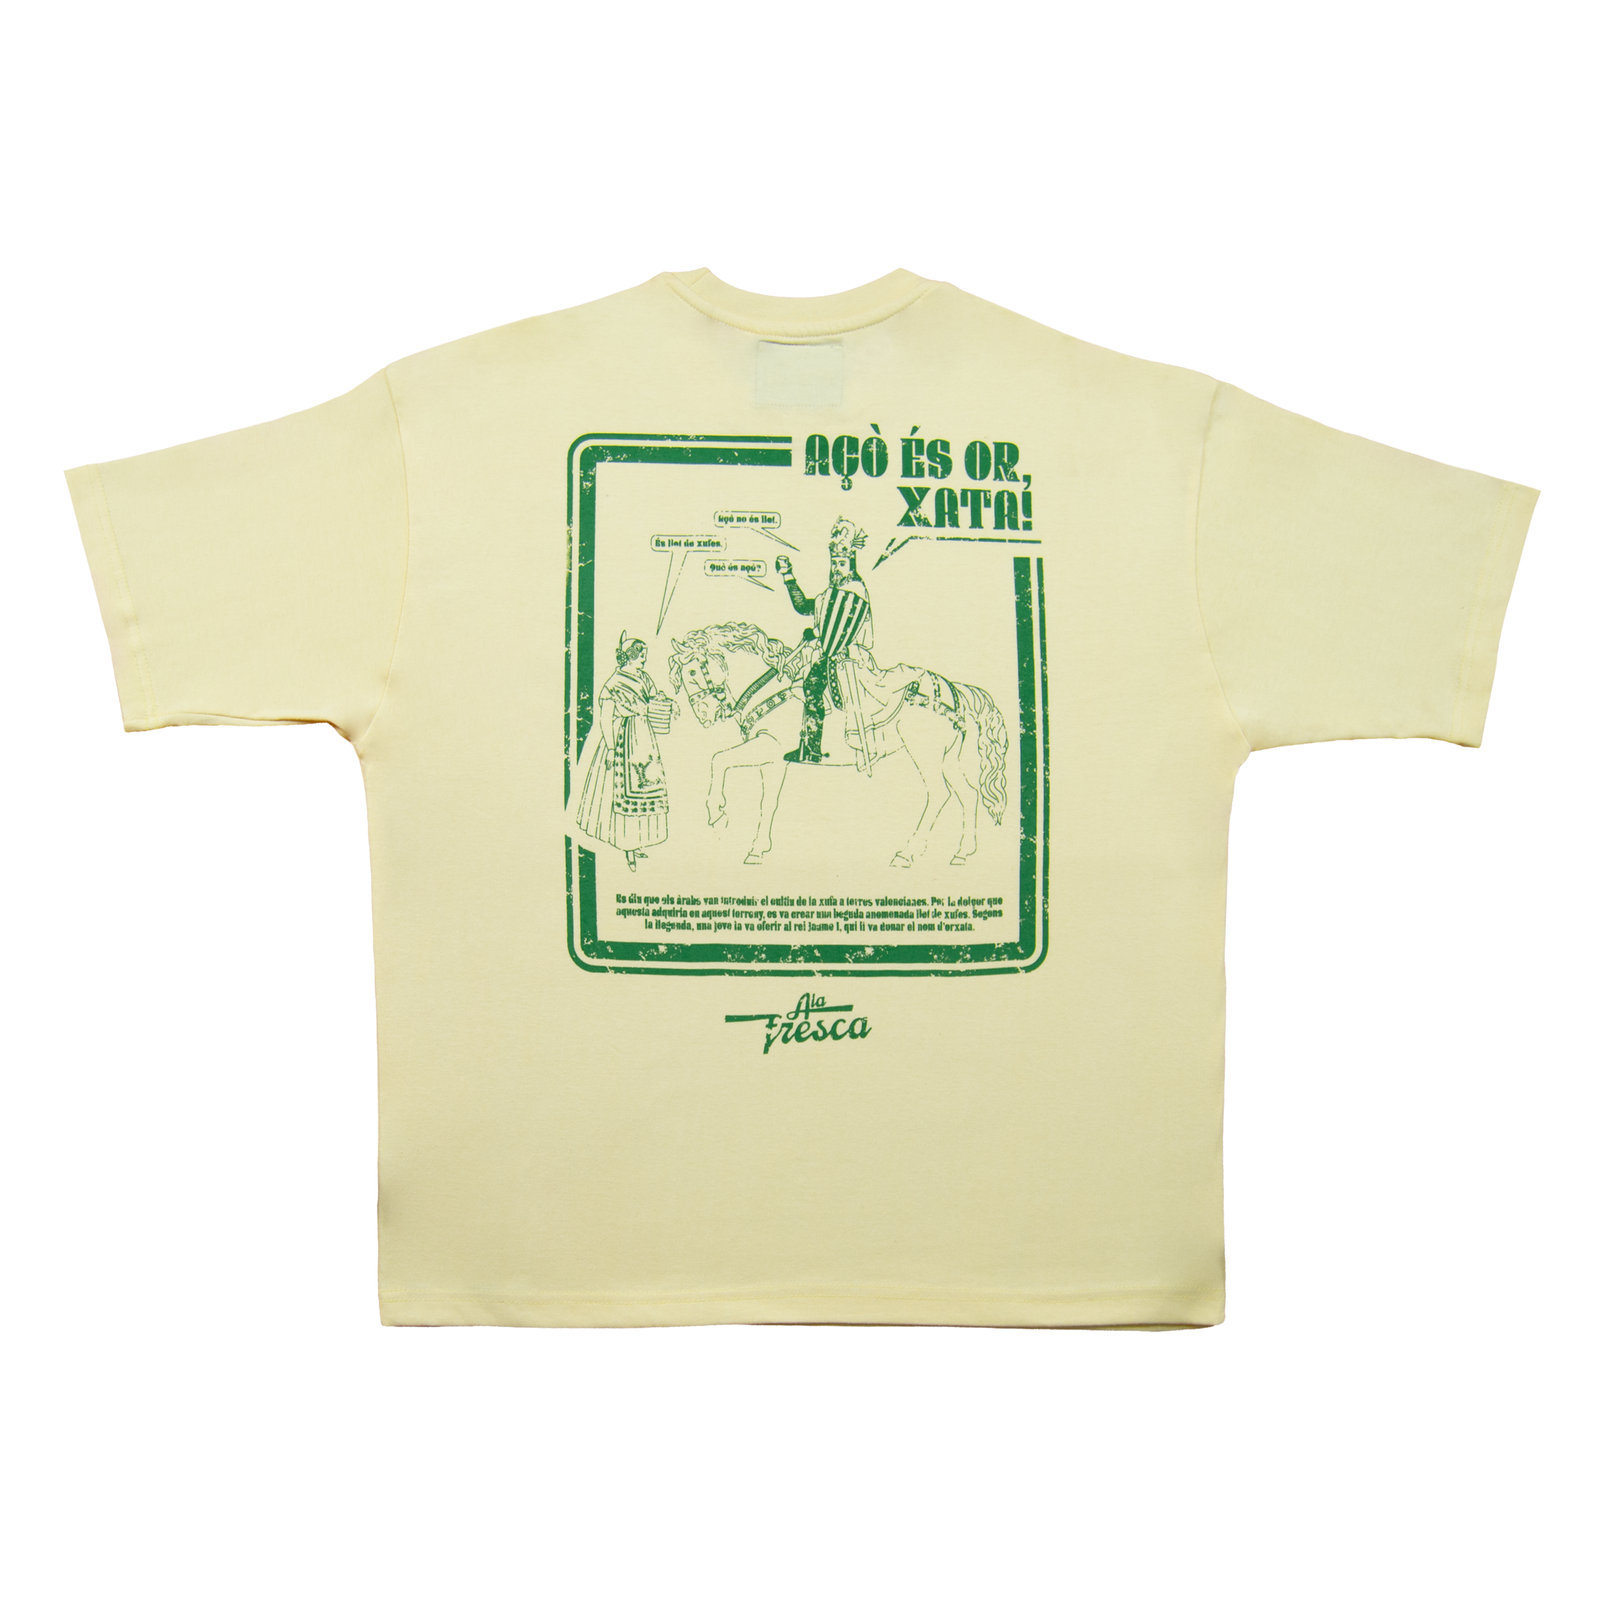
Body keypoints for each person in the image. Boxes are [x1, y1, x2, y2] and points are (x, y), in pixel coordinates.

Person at [776, 519, 874, 764]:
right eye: (834, 563)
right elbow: (804, 607)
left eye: (842, 564)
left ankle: (860, 745)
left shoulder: (856, 590)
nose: (837, 569)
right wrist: (788, 575)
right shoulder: (829, 594)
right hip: (829, 655)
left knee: (820, 689)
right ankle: (810, 749)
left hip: (850, 656)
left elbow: (843, 626)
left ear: (851, 565)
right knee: (810, 686)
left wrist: (818, 634)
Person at [573, 632, 673, 869]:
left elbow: (653, 700)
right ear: (629, 657)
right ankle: (627, 847)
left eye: (645, 656)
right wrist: (610, 748)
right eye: (641, 656)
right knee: (624, 791)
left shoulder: (644, 678)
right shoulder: (614, 683)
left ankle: (638, 842)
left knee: (647, 786)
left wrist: (666, 703)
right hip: (623, 740)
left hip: (645, 737)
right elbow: (605, 718)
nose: (644, 660)